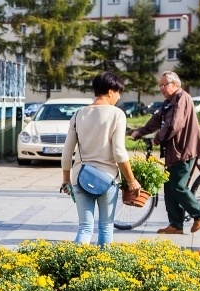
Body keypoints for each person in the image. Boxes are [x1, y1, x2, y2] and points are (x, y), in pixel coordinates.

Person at [61, 71, 142, 247]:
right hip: (108, 179)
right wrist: (132, 180)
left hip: (80, 178)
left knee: (84, 228)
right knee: (106, 227)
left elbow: (67, 152)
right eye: (119, 92)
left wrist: (66, 179)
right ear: (110, 91)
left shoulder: (78, 115)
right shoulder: (116, 114)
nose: (119, 97)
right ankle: (101, 269)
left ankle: (76, 266)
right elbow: (119, 152)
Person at [131, 71, 200, 234]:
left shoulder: (182, 98)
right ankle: (176, 225)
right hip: (173, 152)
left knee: (178, 187)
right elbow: (157, 119)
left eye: (163, 84)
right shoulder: (168, 102)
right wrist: (140, 132)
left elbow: (175, 125)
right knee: (169, 188)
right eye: (160, 85)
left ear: (175, 84)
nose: (161, 88)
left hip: (183, 150)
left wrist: (156, 140)